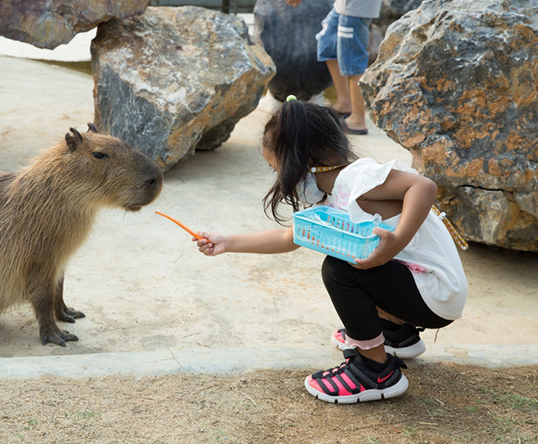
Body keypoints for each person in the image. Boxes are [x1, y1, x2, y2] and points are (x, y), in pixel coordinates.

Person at [194, 99, 468, 404]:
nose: (279, 179)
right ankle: (394, 333)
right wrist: (227, 243)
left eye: (276, 169)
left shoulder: (359, 181)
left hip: (435, 294)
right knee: (353, 260)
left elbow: (423, 186)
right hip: (430, 292)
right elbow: (290, 237)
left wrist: (397, 241)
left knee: (339, 269)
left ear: (297, 161)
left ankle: (375, 371)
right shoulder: (335, 194)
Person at [283, 0, 395, 134]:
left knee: (353, 59)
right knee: (327, 40)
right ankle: (344, 103)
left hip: (355, 5)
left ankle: (357, 120)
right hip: (348, 2)